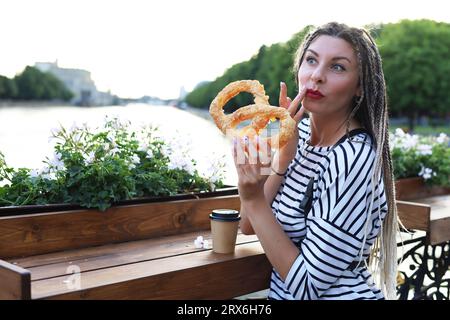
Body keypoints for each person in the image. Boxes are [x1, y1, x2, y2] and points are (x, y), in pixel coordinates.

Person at [232, 22, 398, 300]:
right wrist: (281, 157)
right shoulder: (296, 132)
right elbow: (248, 225)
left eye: (338, 67)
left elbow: (308, 286)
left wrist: (253, 198)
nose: (316, 76)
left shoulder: (353, 158)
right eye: (311, 60)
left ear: (359, 87)